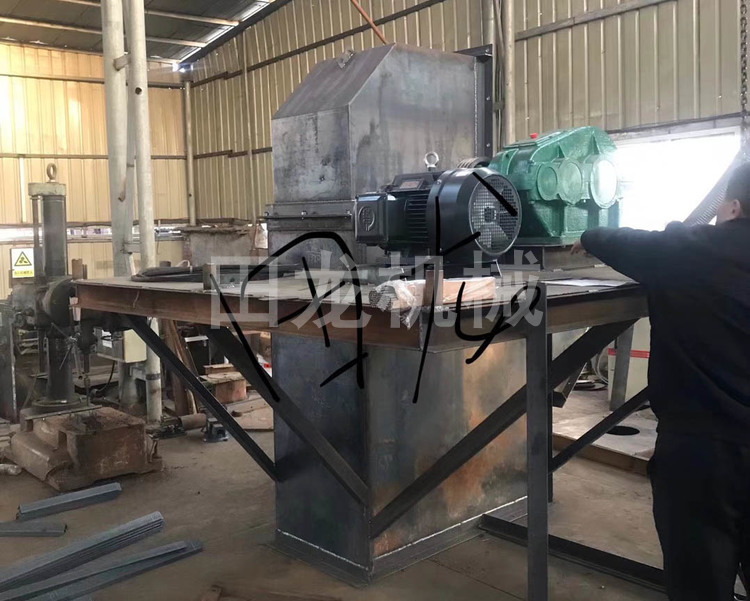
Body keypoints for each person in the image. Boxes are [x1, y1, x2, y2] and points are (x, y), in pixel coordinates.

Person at [572, 164, 750, 601]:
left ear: (731, 207)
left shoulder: (689, 251)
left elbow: (620, 241)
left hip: (701, 454)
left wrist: (588, 236)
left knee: (699, 583)